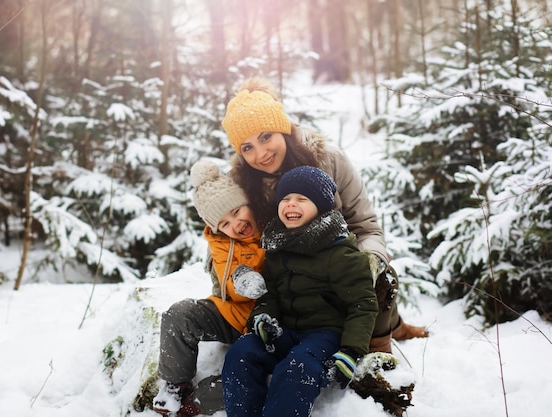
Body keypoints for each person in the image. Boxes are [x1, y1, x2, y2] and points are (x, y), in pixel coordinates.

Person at [221, 77, 428, 353]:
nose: (261, 154)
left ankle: (383, 339)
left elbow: (365, 225)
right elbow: (227, 236)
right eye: (247, 148)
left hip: (336, 265)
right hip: (287, 280)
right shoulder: (244, 184)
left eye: (265, 137)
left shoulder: (328, 159)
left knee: (379, 274)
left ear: (282, 129)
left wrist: (367, 263)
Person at [222, 166, 379, 417]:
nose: (290, 204)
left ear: (320, 206)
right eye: (285, 199)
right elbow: (270, 293)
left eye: (301, 199)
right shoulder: (277, 244)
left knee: (298, 367)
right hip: (285, 330)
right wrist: (262, 318)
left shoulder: (340, 252)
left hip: (325, 333)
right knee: (242, 353)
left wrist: (351, 350)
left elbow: (362, 305)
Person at [152, 159, 267, 417]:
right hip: (232, 313)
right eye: (224, 223)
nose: (235, 225)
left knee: (241, 380)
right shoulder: (221, 242)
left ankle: (202, 399)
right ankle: (175, 384)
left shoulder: (273, 228)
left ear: (248, 202)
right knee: (179, 315)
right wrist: (242, 278)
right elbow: (229, 286)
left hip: (266, 325)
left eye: (237, 212)